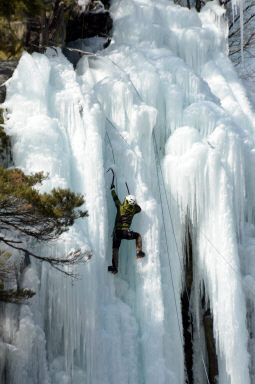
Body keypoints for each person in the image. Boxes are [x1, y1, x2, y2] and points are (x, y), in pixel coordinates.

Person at [108, 185, 145, 274]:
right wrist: (134, 204)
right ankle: (138, 251)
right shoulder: (133, 211)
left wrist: (112, 189)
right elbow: (139, 209)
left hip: (117, 233)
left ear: (126, 201)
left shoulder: (120, 207)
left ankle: (115, 267)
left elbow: (115, 198)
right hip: (125, 233)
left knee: (115, 249)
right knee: (137, 236)